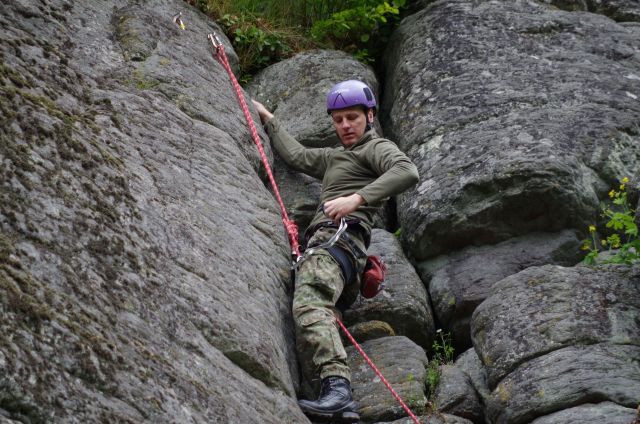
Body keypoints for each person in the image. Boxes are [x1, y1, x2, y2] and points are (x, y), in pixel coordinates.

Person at [252, 80, 419, 423]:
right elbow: (297, 156)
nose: (345, 125)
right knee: (315, 321)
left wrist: (356, 199)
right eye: (338, 119)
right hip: (331, 249)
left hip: (338, 241)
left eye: (352, 117)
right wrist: (266, 117)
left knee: (310, 305)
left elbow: (407, 171)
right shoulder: (334, 157)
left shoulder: (376, 148)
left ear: (369, 116)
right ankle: (337, 405)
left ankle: (338, 391)